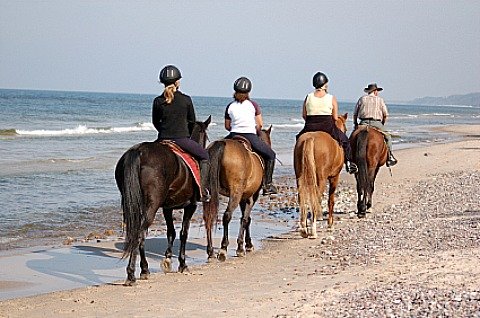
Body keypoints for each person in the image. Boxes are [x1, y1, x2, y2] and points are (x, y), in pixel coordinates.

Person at [152, 65, 211, 202]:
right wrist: (187, 136)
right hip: (180, 139)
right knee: (204, 155)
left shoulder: (158, 101)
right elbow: (191, 122)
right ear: (177, 82)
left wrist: (164, 132)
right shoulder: (186, 99)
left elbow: (155, 122)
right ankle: (202, 191)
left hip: (162, 140)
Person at [224, 77, 278, 195]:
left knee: (213, 151)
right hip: (250, 136)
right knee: (271, 155)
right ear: (248, 92)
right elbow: (260, 124)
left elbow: (227, 126)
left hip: (233, 135)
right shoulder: (253, 105)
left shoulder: (230, 106)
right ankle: (267, 185)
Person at [297, 72, 358, 174]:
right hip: (327, 126)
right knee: (345, 141)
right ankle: (349, 163)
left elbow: (304, 115)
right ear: (324, 84)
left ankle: (298, 162)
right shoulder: (331, 98)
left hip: (310, 126)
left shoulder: (308, 97)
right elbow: (334, 117)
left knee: (298, 139)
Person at [353, 83, 398, 167]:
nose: (377, 92)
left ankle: (349, 159)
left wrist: (355, 123)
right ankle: (390, 156)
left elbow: (355, 113)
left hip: (363, 123)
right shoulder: (380, 100)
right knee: (388, 137)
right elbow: (385, 114)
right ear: (375, 91)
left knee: (352, 137)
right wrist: (382, 124)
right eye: (377, 90)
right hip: (376, 122)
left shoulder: (362, 99)